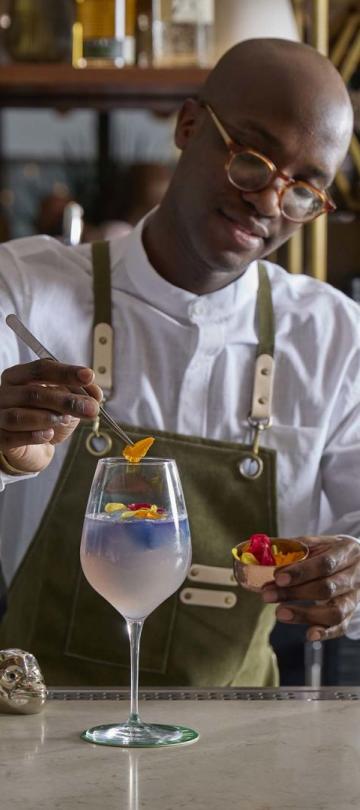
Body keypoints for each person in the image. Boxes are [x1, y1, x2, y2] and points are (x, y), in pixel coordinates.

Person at [0, 38, 359, 688]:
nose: (270, 204)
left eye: (305, 190)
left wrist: (351, 573)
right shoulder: (22, 291)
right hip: (36, 734)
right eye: (252, 160)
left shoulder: (335, 337)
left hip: (243, 755)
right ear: (189, 126)